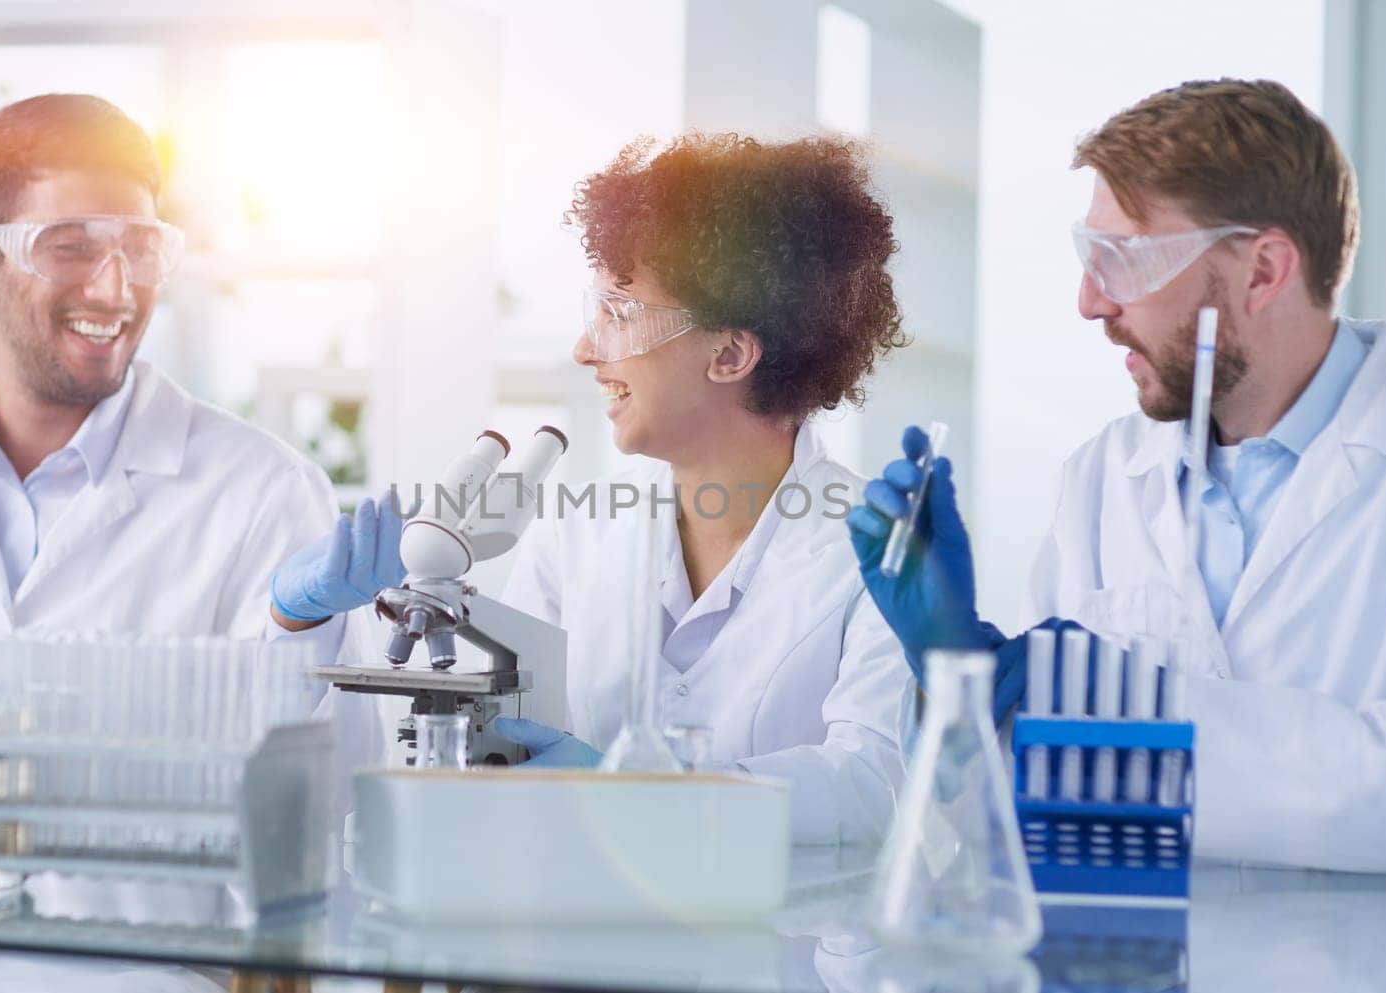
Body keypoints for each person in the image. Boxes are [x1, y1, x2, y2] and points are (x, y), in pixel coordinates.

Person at [0, 94, 383, 992]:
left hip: (127, 972)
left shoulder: (263, 490)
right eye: (72, 245)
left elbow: (334, 811)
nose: (117, 288)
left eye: (142, 247)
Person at [274, 132, 915, 844]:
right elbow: (503, 730)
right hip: (578, 938)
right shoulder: (576, 530)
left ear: (730, 353)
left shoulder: (881, 549)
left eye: (619, 313)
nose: (586, 349)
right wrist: (302, 625)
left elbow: (871, 786)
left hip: (786, 949)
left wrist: (633, 795)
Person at [850, 78, 1386, 872]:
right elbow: (1017, 812)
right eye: (1089, 256)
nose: (1089, 301)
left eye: (1122, 259)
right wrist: (964, 690)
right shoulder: (1104, 480)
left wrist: (1132, 709)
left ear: (1263, 271)